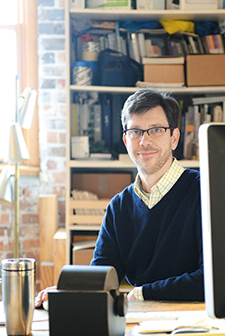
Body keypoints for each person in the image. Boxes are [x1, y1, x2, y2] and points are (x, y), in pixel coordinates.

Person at [35, 89, 204, 307]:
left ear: (174, 138)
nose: (144, 141)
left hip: (197, 322)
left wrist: (143, 293)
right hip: (142, 321)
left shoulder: (202, 192)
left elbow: (211, 280)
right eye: (136, 131)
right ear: (126, 140)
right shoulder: (119, 207)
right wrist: (69, 291)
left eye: (156, 130)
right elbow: (102, 277)